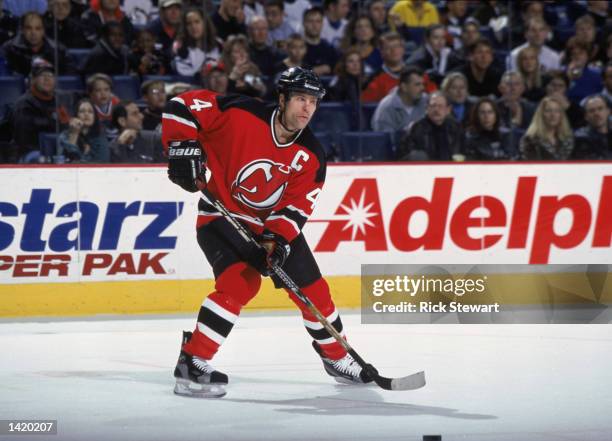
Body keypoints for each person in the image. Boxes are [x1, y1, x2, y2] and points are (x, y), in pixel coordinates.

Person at [162, 67, 374, 397]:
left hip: (267, 226)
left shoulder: (312, 155)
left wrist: (275, 240)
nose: (307, 109)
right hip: (221, 217)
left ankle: (337, 357)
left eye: (313, 102)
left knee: (315, 292)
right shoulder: (241, 114)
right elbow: (181, 105)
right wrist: (182, 147)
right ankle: (193, 361)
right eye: (301, 99)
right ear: (282, 98)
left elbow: (295, 208)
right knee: (240, 284)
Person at [9, 62, 71, 163]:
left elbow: (66, 128)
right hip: (31, 153)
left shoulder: (59, 101)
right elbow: (24, 142)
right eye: (42, 75)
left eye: (51, 75)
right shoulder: (24, 104)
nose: (47, 79)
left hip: (57, 152)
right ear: (32, 80)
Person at [2, 11, 75, 76]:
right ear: (22, 30)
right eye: (28, 28)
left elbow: (69, 77)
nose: (33, 33)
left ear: (43, 31)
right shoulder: (9, 49)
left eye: (38, 28)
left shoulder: (58, 50)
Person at [398, 91, 465, 160]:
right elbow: (407, 156)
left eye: (440, 106)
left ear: (448, 110)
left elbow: (463, 152)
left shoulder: (456, 127)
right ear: (427, 108)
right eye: (433, 106)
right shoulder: (416, 128)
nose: (436, 110)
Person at [371, 66, 427, 134]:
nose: (422, 88)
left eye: (422, 84)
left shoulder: (426, 101)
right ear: (404, 87)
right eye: (417, 85)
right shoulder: (386, 107)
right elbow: (384, 141)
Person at [520, 96, 574, 160]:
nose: (553, 115)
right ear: (541, 115)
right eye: (548, 111)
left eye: (557, 111)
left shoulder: (567, 138)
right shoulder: (530, 139)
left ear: (561, 115)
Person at [173, 8, 222, 77]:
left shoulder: (218, 44)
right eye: (189, 23)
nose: (193, 27)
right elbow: (184, 73)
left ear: (205, 23)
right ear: (185, 27)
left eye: (197, 22)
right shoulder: (180, 46)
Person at [58, 98, 110, 163]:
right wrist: (74, 133)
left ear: (95, 117)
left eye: (90, 112)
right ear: (76, 115)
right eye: (82, 111)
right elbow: (65, 161)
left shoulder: (101, 138)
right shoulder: (65, 135)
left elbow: (102, 164)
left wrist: (83, 158)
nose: (86, 114)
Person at [361, 31, 405, 102]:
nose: (394, 50)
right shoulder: (373, 79)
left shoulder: (418, 74)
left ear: (403, 49)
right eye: (388, 47)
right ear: (381, 52)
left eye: (397, 46)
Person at [573, 94, 611, 159]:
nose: (596, 113)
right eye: (591, 111)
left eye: (600, 108)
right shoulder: (579, 138)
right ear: (586, 116)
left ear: (608, 111)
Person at [303, 7, 339, 77]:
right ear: (304, 23)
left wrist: (329, 68)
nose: (314, 25)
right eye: (310, 21)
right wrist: (313, 71)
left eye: (318, 21)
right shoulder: (296, 48)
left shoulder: (329, 49)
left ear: (322, 24)